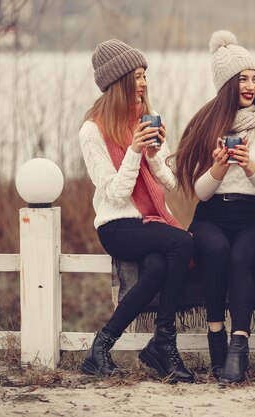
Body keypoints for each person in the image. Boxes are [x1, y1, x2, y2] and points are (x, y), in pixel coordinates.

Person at [171, 30, 255, 384]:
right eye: (242, 79)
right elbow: (200, 192)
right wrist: (220, 167)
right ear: (226, 85)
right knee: (218, 249)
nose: (250, 85)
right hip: (212, 217)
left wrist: (248, 163)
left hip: (254, 217)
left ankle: (239, 345)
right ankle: (215, 335)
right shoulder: (206, 125)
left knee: (241, 257)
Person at [79, 39, 195, 383]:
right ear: (119, 83)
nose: (144, 83)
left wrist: (154, 153)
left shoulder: (145, 121)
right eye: (137, 76)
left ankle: (100, 348)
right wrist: (133, 151)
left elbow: (171, 185)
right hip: (117, 226)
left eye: (145, 75)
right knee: (183, 243)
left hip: (148, 221)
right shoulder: (92, 131)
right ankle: (164, 342)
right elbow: (115, 193)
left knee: (159, 266)